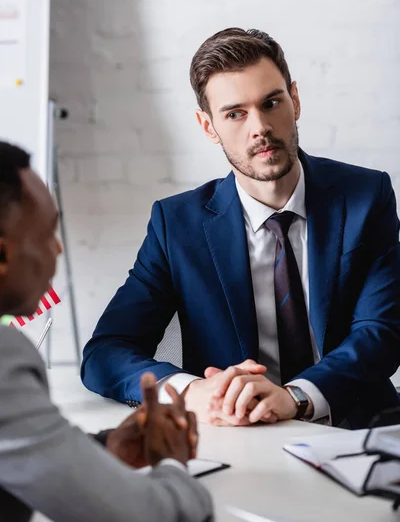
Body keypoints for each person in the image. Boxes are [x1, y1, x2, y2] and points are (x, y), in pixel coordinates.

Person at [82, 27, 400, 430]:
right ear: (207, 126)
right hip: (239, 439)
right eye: (235, 113)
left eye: (271, 103)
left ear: (295, 100)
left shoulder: (366, 196)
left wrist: (295, 397)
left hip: (356, 428)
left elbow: (382, 331)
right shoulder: (176, 224)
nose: (259, 127)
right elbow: (107, 352)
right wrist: (189, 391)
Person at [0, 141, 212, 522]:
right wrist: (173, 463)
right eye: (47, 234)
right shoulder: (4, 357)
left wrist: (103, 447)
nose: (59, 250)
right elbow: (158, 516)